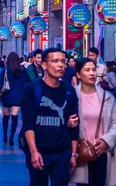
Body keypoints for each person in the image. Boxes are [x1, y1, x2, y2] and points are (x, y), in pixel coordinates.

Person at [20, 47, 79, 186]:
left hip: (62, 151)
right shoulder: (32, 89)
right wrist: (34, 152)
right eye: (55, 61)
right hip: (39, 150)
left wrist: (74, 154)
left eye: (63, 61)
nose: (61, 65)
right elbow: (28, 123)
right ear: (44, 65)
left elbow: (75, 124)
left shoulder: (69, 90)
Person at [70, 58, 116, 186]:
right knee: (82, 183)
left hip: (101, 150)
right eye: (87, 70)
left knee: (99, 182)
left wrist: (106, 141)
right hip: (81, 150)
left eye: (94, 69)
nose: (92, 73)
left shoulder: (107, 97)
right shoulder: (71, 96)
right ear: (78, 74)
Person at [1, 52, 26, 146]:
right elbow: (25, 84)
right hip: (18, 97)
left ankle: (4, 136)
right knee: (14, 116)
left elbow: (0, 82)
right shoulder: (23, 70)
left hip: (7, 95)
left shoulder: (6, 69)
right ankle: (11, 137)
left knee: (6, 116)